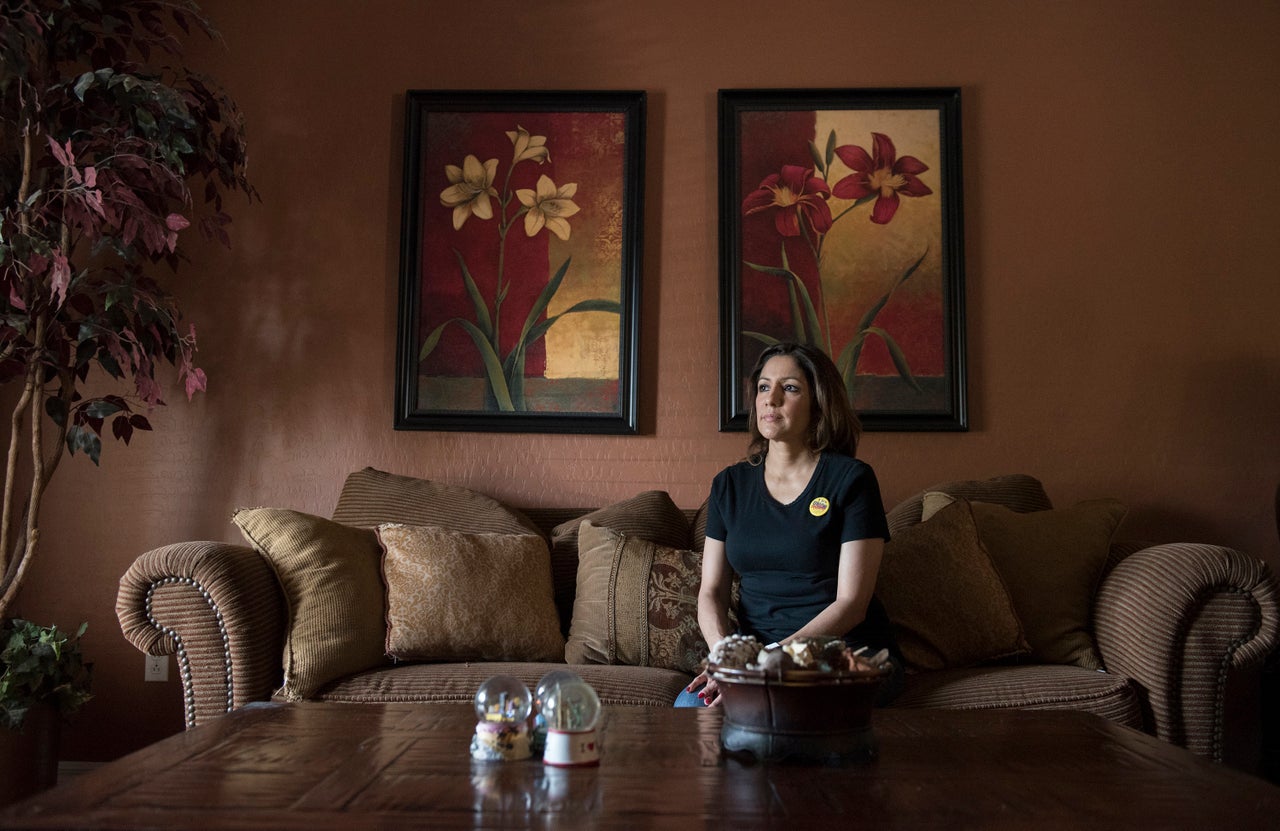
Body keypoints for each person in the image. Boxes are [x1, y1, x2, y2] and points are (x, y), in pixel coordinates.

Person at [675, 342, 903, 708]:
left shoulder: (852, 480)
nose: (771, 398)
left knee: (782, 709)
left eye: (790, 388)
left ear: (818, 403)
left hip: (838, 653)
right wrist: (728, 660)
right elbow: (712, 591)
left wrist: (772, 659)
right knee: (689, 707)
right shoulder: (728, 486)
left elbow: (852, 603)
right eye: (764, 387)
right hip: (754, 657)